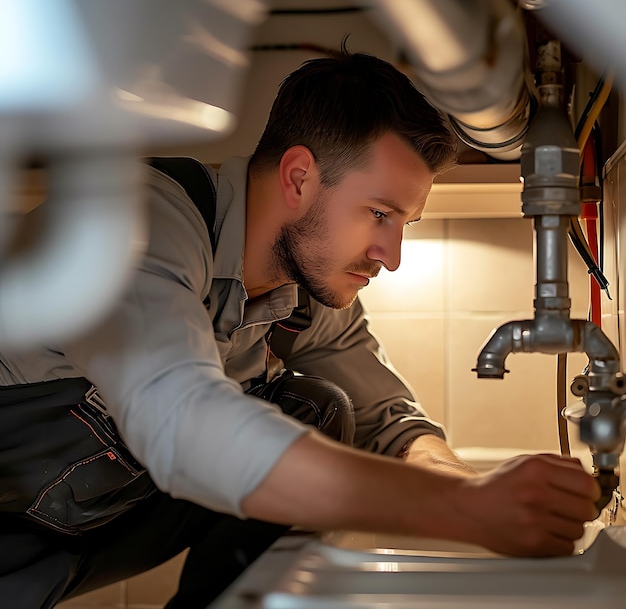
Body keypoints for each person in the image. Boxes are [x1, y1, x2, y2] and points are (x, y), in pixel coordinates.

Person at [0, 48, 599, 609]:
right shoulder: (136, 224)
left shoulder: (304, 297)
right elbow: (183, 423)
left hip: (73, 530)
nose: (390, 255)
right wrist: (462, 509)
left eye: (405, 224)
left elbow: (387, 421)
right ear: (298, 178)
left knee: (316, 409)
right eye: (380, 214)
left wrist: (471, 486)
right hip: (15, 525)